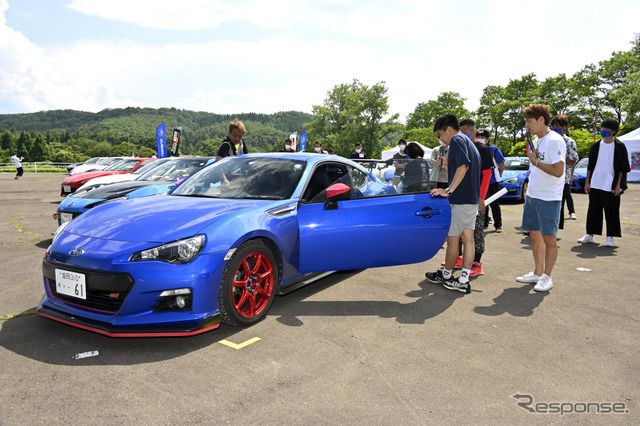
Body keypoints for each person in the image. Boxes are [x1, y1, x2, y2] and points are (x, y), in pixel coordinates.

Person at [425, 114, 481, 294]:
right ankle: (463, 277)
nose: (441, 139)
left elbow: (464, 167)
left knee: (453, 239)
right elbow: (466, 168)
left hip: (460, 200)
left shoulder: (457, 140)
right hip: (470, 199)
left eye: (441, 134)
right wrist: (449, 166)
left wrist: (447, 190)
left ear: (448, 130)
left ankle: (448, 275)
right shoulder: (467, 142)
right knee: (468, 239)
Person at [516, 104, 566, 292]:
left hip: (549, 198)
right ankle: (538, 272)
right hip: (533, 195)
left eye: (529, 122)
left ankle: (547, 277)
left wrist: (535, 161)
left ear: (541, 120)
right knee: (534, 235)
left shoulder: (555, 140)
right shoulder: (536, 141)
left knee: (549, 239)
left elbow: (558, 171)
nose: (527, 126)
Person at [578, 118, 631, 247]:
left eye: (607, 129)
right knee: (593, 210)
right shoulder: (596, 146)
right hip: (595, 182)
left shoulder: (619, 146)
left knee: (611, 211)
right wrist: (587, 183)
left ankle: (610, 237)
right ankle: (590, 234)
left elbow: (622, 169)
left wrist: (618, 185)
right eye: (603, 128)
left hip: (610, 184)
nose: (603, 131)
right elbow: (590, 166)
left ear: (613, 131)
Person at [460, 120, 493, 278]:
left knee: (476, 230)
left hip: (477, 197)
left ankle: (477, 263)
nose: (463, 134)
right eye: (461, 131)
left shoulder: (482, 149)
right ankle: (463, 258)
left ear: (474, 131)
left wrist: (481, 198)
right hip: (462, 196)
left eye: (466, 131)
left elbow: (487, 174)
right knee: (462, 229)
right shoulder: (461, 147)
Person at [550, 115, 579, 229]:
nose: (554, 127)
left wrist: (556, 162)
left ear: (564, 127)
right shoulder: (549, 139)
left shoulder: (569, 142)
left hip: (562, 176)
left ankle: (556, 227)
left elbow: (572, 160)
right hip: (548, 176)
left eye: (557, 125)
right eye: (553, 125)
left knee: (559, 204)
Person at [477, 130, 505, 232]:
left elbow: (501, 163)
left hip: (493, 180)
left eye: (483, 136)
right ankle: (484, 222)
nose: (481, 138)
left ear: (488, 138)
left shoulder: (494, 149)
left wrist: (499, 175)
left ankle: (498, 224)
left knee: (494, 203)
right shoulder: (476, 148)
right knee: (483, 203)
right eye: (479, 136)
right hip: (481, 180)